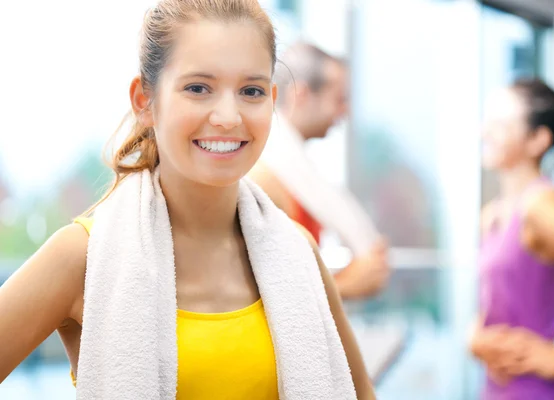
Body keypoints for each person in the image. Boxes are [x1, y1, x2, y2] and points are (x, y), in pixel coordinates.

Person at [0, 1, 375, 399]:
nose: (228, 116)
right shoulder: (80, 256)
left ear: (272, 100)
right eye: (198, 88)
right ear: (144, 101)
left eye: (251, 90)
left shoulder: (299, 252)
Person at [469, 78, 554, 399]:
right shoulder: (492, 215)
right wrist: (473, 338)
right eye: (488, 121)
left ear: (537, 140)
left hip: (537, 390)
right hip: (498, 388)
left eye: (500, 125)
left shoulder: (539, 207)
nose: (485, 133)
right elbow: (494, 304)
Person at [248, 42, 390, 300]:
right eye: (338, 99)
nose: (344, 111)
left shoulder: (300, 178)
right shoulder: (264, 177)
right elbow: (263, 295)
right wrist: (346, 286)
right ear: (301, 95)